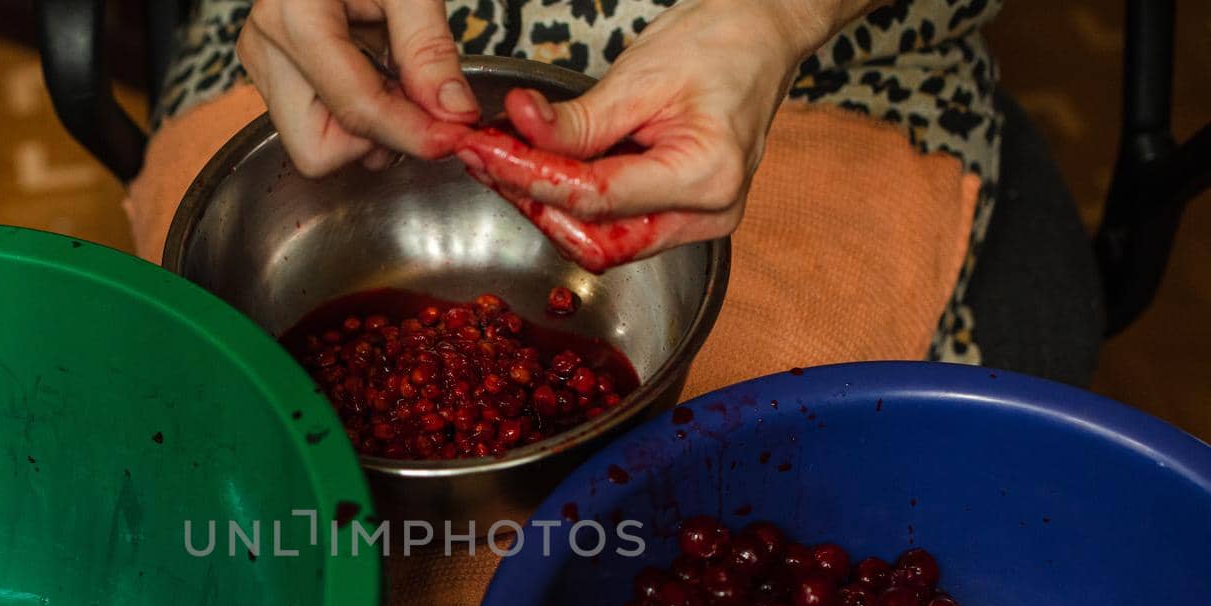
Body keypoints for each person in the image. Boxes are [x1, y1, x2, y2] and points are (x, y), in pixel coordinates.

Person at [153, 0, 1003, 363]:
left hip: (814, 50)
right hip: (340, 23)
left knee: (720, 495)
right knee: (230, 459)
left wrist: (775, 20)